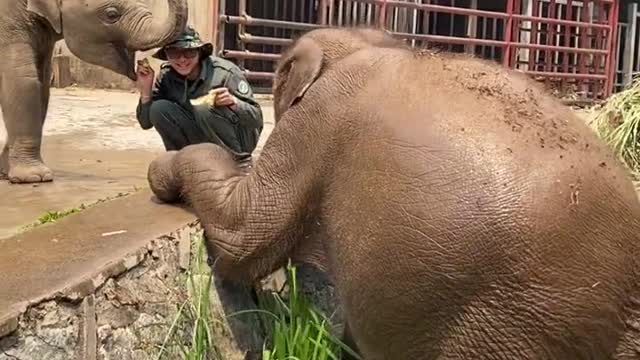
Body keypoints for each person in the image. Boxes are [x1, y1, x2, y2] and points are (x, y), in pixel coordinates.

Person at [135, 26, 263, 159]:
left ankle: (238, 163)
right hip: (202, 134)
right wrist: (145, 90)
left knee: (203, 107)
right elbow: (146, 122)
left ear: (200, 52)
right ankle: (183, 161)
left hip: (238, 139)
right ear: (166, 55)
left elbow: (257, 119)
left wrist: (233, 103)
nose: (182, 59)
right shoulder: (167, 76)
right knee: (159, 108)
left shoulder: (225, 73)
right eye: (174, 53)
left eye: (189, 52)